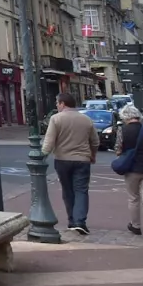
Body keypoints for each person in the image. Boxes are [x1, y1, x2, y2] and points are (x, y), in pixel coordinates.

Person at [42, 90, 97, 236]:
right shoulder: (86, 119)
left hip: (62, 160)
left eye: (57, 103)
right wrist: (93, 155)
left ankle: (72, 220)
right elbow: (95, 141)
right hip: (82, 160)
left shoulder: (56, 119)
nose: (56, 106)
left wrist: (42, 156)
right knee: (81, 190)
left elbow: (49, 141)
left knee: (67, 190)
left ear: (62, 103)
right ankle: (80, 221)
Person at [116, 105, 143, 240]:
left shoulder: (122, 130)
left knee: (133, 198)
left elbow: (118, 149)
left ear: (125, 117)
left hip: (132, 169)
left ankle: (135, 226)